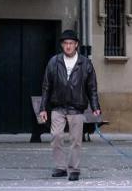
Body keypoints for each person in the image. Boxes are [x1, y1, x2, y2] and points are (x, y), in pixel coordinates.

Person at [38, 29, 100, 182]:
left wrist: (95, 106)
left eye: (71, 43)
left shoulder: (85, 63)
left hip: (76, 107)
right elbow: (46, 86)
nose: (68, 46)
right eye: (65, 43)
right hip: (58, 106)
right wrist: (43, 108)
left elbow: (91, 87)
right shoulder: (54, 62)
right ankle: (60, 167)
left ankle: (74, 169)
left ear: (76, 45)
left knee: (76, 140)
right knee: (56, 136)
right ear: (62, 45)